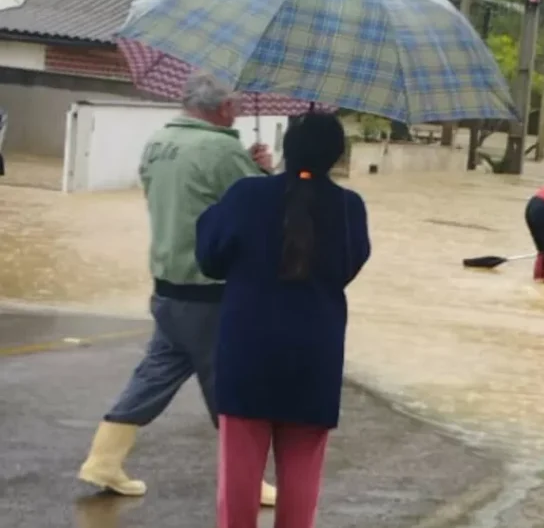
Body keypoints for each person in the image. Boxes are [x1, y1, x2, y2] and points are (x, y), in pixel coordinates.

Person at [76, 73, 279, 506]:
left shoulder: (159, 141)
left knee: (156, 373)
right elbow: (261, 210)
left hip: (168, 285)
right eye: (237, 106)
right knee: (231, 386)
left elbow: (192, 194)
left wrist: (245, 167)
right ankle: (246, 480)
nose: (239, 113)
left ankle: (103, 460)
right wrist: (264, 171)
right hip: (211, 291)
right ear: (223, 108)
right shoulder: (222, 148)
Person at [196, 112, 371, 528]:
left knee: (238, 481)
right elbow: (346, 268)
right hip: (315, 354)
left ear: (286, 148)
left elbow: (209, 258)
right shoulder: (350, 207)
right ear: (336, 156)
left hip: (247, 351)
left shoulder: (246, 194)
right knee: (302, 479)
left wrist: (255, 184)